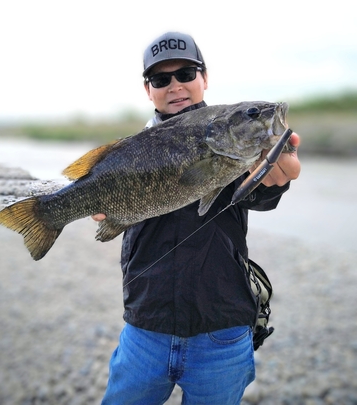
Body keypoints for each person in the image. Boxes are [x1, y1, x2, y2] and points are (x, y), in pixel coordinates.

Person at [94, 32, 301, 405]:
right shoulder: (131, 148)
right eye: (161, 79)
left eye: (186, 73)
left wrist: (275, 180)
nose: (175, 86)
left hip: (221, 331)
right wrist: (109, 212)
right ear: (148, 90)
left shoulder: (229, 135)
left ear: (204, 78)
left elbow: (260, 194)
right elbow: (110, 201)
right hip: (145, 329)